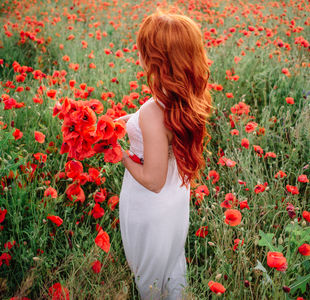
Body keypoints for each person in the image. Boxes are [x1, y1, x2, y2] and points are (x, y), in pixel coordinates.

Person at [116, 8, 212, 300]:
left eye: (144, 49)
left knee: (150, 283)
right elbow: (158, 129)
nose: (140, 55)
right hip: (174, 201)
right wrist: (127, 121)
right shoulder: (187, 98)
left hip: (149, 206)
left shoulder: (153, 112)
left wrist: (116, 151)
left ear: (157, 58)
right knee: (170, 265)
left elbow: (152, 180)